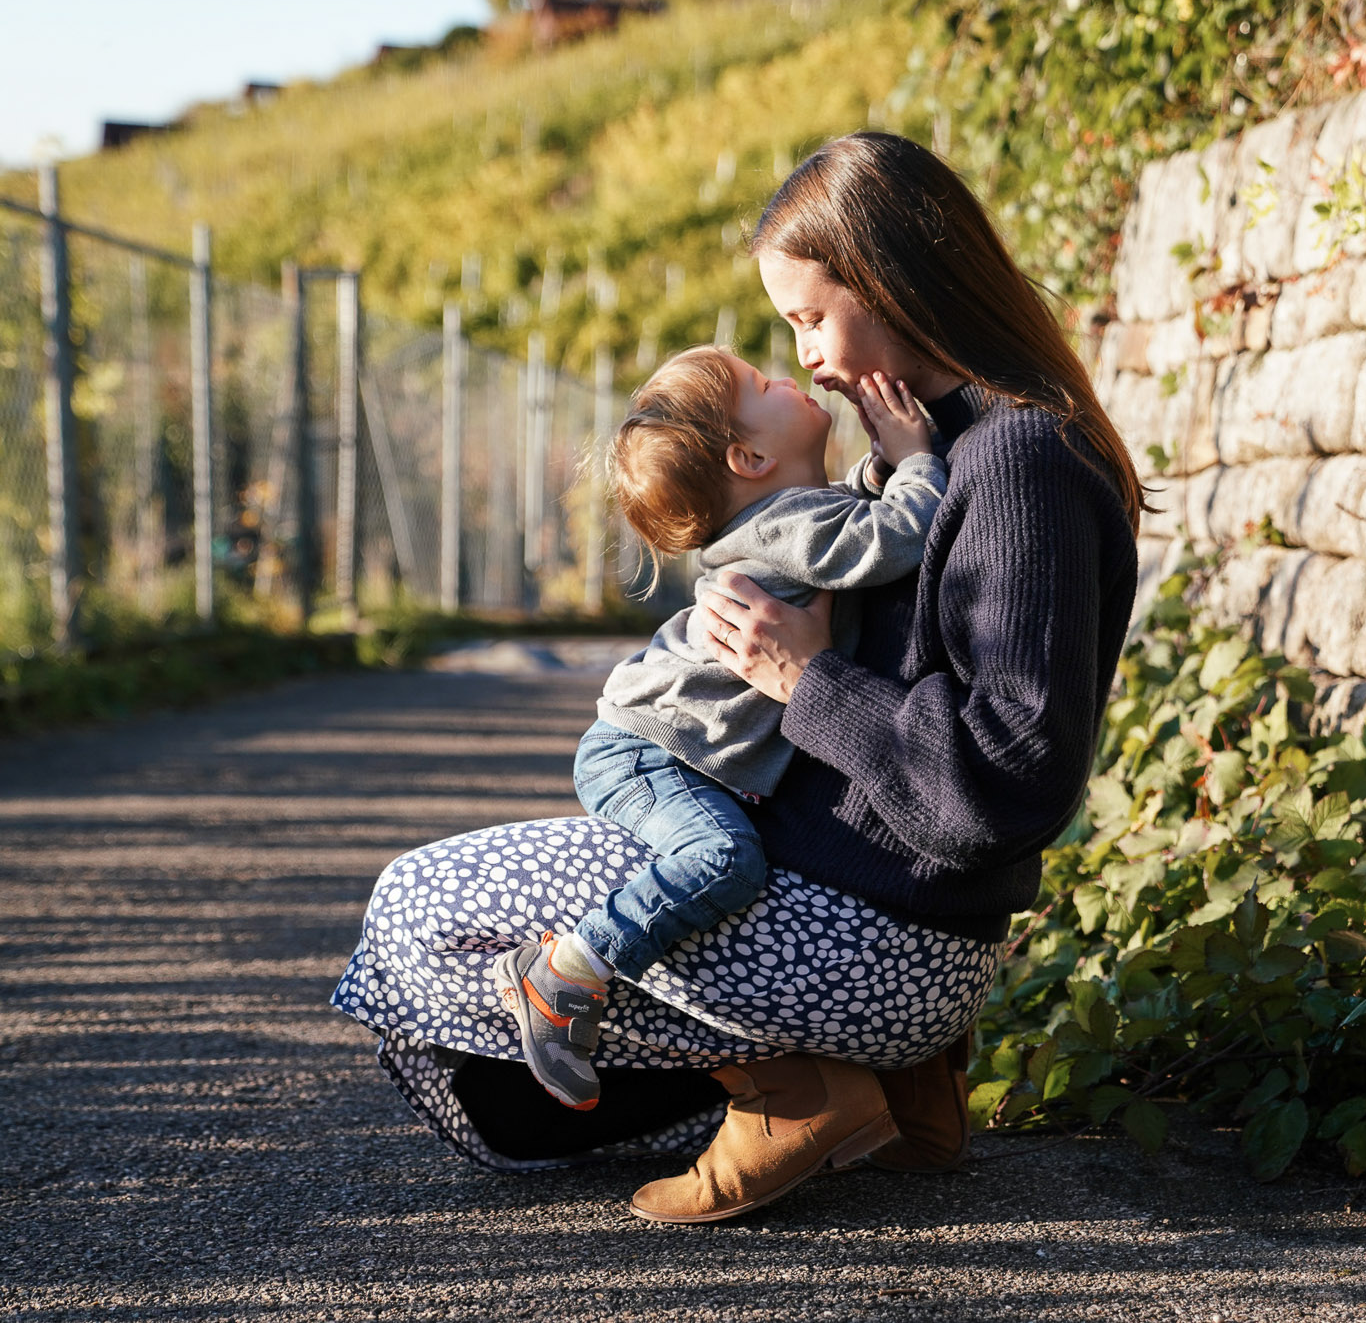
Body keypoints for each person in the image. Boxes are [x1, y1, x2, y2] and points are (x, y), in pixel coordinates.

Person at [331, 130, 1147, 1225]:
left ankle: (799, 1087)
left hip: (875, 943)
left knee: (416, 912)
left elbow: (1006, 781)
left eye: (809, 317)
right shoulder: (955, 457)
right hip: (872, 928)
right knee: (502, 1014)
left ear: (891, 280)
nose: (805, 357)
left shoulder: (1018, 468)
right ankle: (905, 1091)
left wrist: (796, 677)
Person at [493, 344, 948, 1113]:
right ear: (749, 454)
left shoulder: (789, 517)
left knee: (730, 857)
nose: (786, 372)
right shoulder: (786, 529)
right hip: (645, 750)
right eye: (761, 384)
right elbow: (888, 539)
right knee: (725, 860)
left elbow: (850, 516)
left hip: (663, 746)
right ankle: (567, 973)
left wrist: (876, 471)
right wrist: (916, 461)